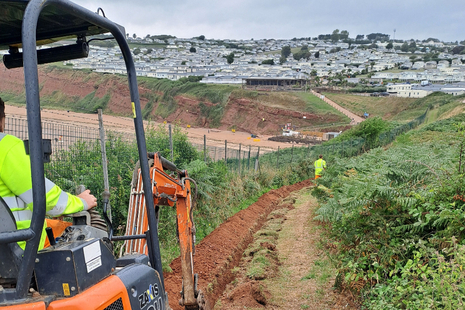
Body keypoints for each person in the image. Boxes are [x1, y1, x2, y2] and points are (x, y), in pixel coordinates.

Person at [0, 97, 97, 250]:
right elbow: (45, 200)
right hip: (16, 252)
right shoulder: (6, 147)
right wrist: (82, 202)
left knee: (57, 227)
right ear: (2, 120)